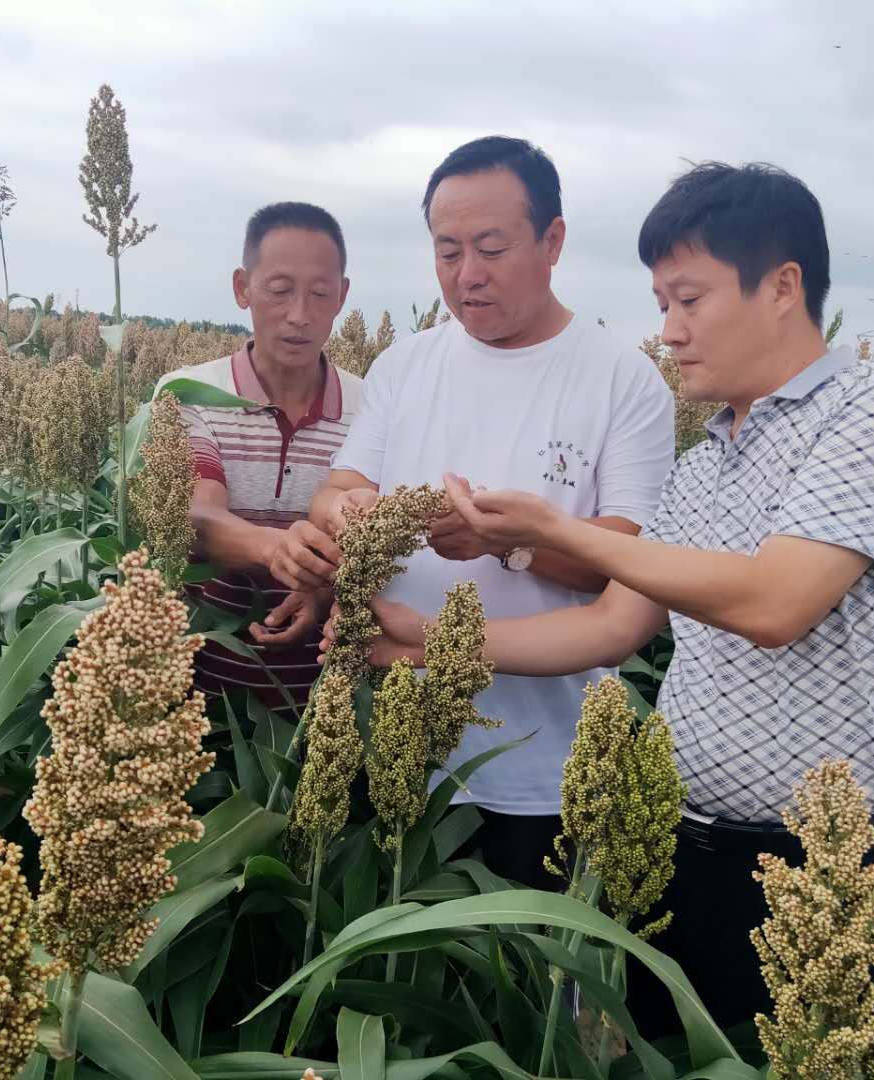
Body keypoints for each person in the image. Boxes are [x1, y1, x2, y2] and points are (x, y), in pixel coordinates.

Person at [342, 161, 874, 1035]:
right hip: (670, 843)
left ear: (782, 287)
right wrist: (423, 641)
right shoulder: (705, 465)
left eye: (689, 300)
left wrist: (553, 529)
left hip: (823, 866)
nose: (668, 331)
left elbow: (777, 603)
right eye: (662, 303)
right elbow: (612, 625)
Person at [307, 136, 676, 888]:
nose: (467, 274)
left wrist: (504, 542)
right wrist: (350, 515)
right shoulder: (404, 366)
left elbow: (632, 565)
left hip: (544, 771)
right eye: (447, 252)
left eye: (492, 248)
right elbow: (334, 490)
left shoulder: (624, 381)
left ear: (553, 241)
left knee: (519, 960)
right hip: (393, 736)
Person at [156, 201, 361, 716]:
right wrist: (277, 549)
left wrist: (320, 590)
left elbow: (374, 540)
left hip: (319, 712)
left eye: (320, 294)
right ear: (242, 287)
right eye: (280, 289)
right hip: (193, 705)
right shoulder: (188, 393)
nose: (300, 314)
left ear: (342, 296)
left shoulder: (370, 409)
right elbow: (193, 517)